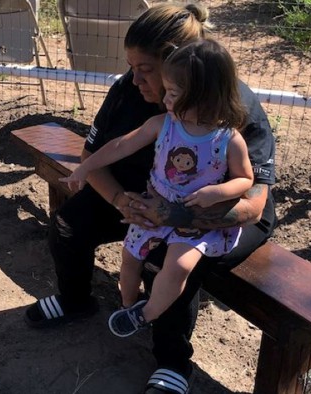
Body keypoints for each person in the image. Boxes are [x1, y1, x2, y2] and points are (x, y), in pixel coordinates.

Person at [22, 3, 277, 394]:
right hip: (148, 195)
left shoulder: (232, 107)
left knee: (168, 257)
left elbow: (253, 200)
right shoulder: (130, 90)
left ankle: (173, 362)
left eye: (145, 69)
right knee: (69, 221)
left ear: (176, 63)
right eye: (132, 67)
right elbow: (95, 155)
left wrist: (172, 214)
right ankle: (75, 300)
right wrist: (123, 201)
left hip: (224, 215)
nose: (134, 78)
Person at [58, 38, 253, 339]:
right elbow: (121, 145)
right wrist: (86, 166)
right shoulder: (163, 123)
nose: (166, 101)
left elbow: (245, 179)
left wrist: (219, 192)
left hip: (194, 221)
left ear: (205, 97)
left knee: (178, 267)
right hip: (155, 206)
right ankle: (127, 304)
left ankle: (145, 314)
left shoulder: (228, 139)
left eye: (173, 94)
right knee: (130, 257)